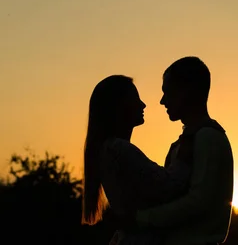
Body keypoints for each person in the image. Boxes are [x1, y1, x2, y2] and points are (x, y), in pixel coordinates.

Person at [132, 56, 235, 245]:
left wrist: (141, 218)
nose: (163, 101)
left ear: (187, 91)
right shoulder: (191, 140)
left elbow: (198, 202)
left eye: (168, 92)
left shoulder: (208, 138)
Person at [81, 75, 192, 245]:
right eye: (135, 99)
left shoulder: (109, 150)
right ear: (118, 106)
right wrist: (183, 157)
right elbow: (168, 187)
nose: (143, 105)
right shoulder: (119, 150)